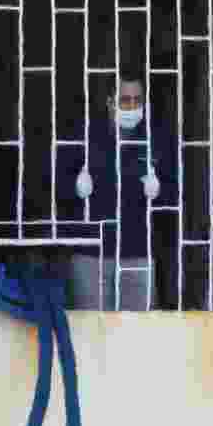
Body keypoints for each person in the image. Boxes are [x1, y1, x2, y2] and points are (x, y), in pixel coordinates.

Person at [67, 72, 176, 310]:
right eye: (125, 100)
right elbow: (55, 184)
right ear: (110, 101)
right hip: (91, 254)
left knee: (140, 335)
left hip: (138, 253)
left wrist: (160, 191)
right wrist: (74, 187)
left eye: (138, 100)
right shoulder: (85, 136)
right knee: (91, 333)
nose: (132, 106)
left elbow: (176, 194)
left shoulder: (155, 138)